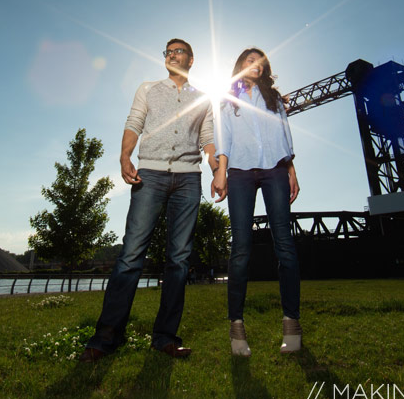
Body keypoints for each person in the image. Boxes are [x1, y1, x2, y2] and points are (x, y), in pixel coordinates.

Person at [80, 38, 217, 362]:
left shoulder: (204, 98)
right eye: (167, 52)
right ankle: (106, 338)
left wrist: (217, 169)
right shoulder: (148, 88)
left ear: (191, 59)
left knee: (179, 260)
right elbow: (134, 123)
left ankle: (165, 337)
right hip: (150, 175)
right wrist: (125, 156)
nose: (171, 55)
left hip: (188, 178)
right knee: (130, 255)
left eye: (178, 51)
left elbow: (208, 138)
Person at [211, 47, 301, 356]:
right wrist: (220, 173)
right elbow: (223, 139)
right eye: (250, 61)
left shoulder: (275, 99)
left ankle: (291, 323)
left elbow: (285, 135)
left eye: (261, 63)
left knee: (285, 245)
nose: (256, 66)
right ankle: (237, 325)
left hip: (275, 169)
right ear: (239, 66)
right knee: (241, 248)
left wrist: (291, 170)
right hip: (239, 172)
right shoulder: (227, 99)